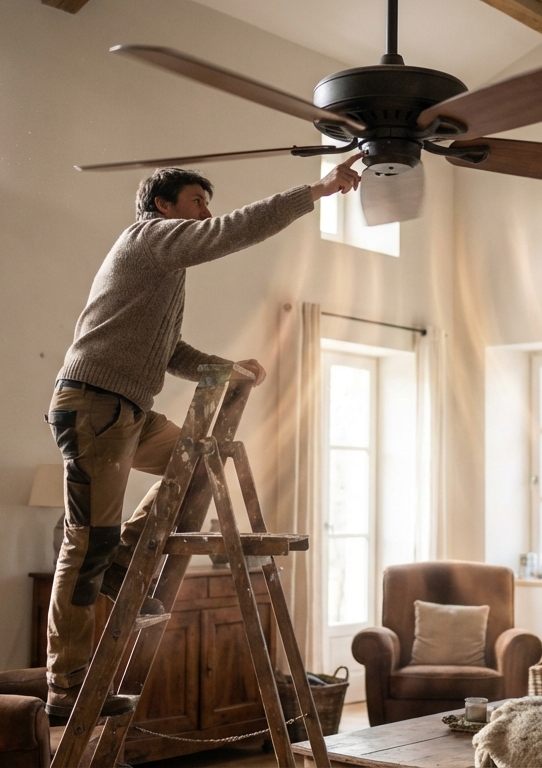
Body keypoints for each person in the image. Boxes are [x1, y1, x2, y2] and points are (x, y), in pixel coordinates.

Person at [44, 155, 362, 718]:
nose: (206, 213)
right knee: (86, 541)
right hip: (94, 405)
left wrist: (226, 369)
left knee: (196, 462)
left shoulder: (162, 271)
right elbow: (231, 230)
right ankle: (65, 689)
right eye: (197, 202)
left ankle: (124, 558)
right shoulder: (148, 238)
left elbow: (169, 352)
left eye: (206, 204)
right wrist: (318, 189)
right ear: (163, 207)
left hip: (129, 411)